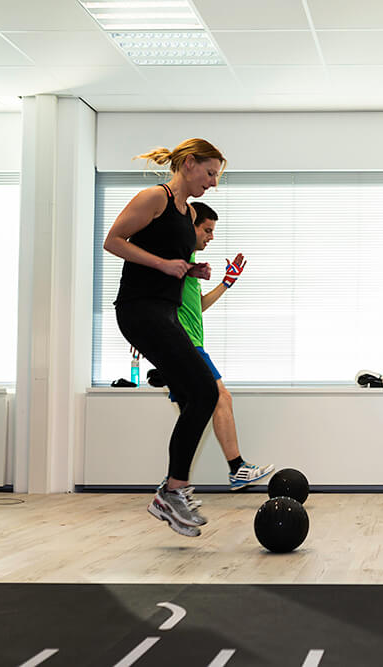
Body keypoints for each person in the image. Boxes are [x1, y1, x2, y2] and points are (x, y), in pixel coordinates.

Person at [103, 138, 224, 538]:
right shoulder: (155, 197)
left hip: (163, 311)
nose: (213, 183)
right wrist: (165, 264)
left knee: (196, 395)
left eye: (217, 177)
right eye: (210, 173)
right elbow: (114, 240)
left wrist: (190, 271)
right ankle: (171, 492)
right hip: (139, 310)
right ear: (189, 164)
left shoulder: (187, 212)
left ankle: (172, 490)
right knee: (207, 391)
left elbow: (168, 262)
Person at [166, 201, 274, 490]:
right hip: (184, 343)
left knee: (193, 416)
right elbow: (154, 278)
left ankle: (175, 483)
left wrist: (226, 283)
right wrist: (146, 334)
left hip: (184, 343)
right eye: (207, 230)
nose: (211, 237)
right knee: (220, 396)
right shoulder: (178, 258)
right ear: (192, 226)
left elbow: (197, 307)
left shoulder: (186, 264)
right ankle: (237, 468)